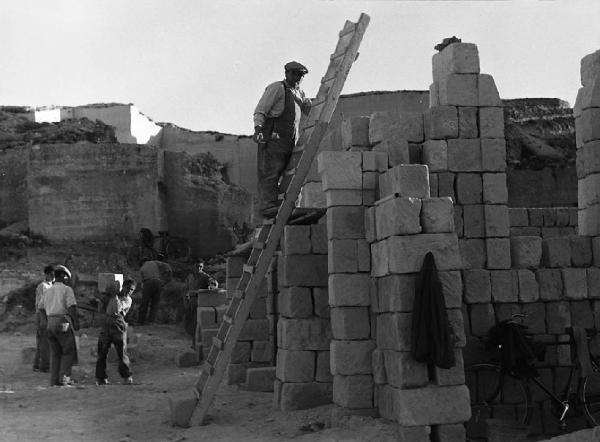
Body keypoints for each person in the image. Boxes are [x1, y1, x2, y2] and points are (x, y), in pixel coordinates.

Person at [253, 61, 312, 218]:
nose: (297, 77)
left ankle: (289, 206)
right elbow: (261, 110)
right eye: (294, 74)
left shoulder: (300, 94)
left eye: (300, 75)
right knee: (271, 173)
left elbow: (309, 110)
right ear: (287, 74)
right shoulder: (277, 88)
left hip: (290, 142)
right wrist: (258, 129)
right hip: (274, 139)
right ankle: (268, 207)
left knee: (292, 175)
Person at [43, 265, 79, 386]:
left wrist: (46, 321)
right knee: (68, 351)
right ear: (63, 276)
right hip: (62, 321)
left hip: (50, 321)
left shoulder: (48, 290)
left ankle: (54, 380)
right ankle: (64, 378)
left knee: (55, 353)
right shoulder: (67, 289)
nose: (67, 280)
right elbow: (72, 307)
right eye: (66, 277)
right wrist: (75, 321)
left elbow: (40, 308)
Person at [95, 279, 136, 385]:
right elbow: (100, 309)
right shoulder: (112, 296)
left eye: (131, 290)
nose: (129, 291)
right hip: (106, 326)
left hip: (118, 327)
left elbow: (116, 309)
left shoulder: (128, 300)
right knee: (102, 353)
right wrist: (102, 297)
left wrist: (113, 296)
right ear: (123, 287)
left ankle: (126, 376)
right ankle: (101, 378)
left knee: (122, 353)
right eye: (128, 288)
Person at [137, 259, 172, 325]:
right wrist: (168, 277)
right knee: (155, 303)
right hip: (158, 282)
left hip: (148, 282)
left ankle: (140, 321)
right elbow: (167, 265)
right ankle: (151, 321)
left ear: (142, 263)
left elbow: (141, 283)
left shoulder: (141, 268)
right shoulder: (154, 262)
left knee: (144, 303)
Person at [33, 265, 54, 372]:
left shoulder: (51, 286)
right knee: (44, 340)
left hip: (47, 314)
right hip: (42, 314)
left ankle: (38, 364)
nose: (53, 276)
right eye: (51, 274)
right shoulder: (43, 286)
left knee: (43, 341)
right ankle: (43, 365)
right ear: (47, 274)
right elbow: (41, 304)